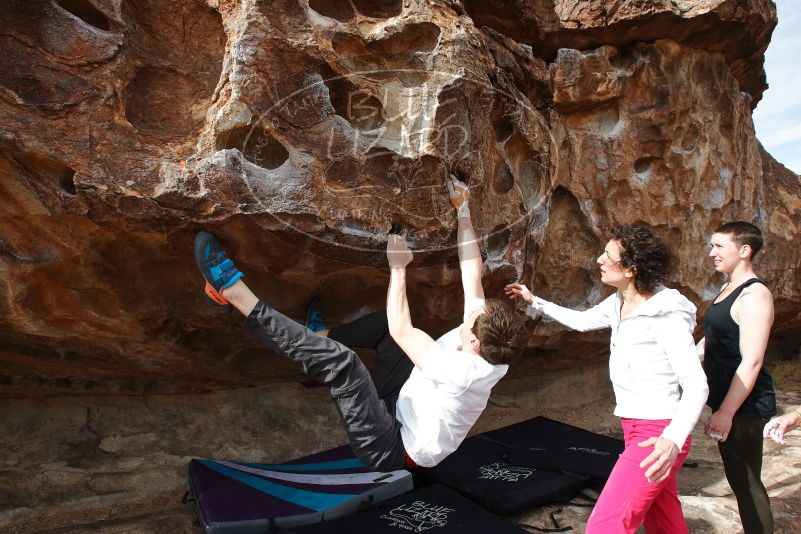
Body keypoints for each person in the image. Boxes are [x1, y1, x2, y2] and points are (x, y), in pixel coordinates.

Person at [193, 175, 528, 471]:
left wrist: (398, 266)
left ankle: (234, 293)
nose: (471, 313)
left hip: (393, 447)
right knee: (384, 328)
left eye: (471, 321)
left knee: (345, 364)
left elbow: (404, 329)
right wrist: (463, 209)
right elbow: (473, 273)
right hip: (404, 400)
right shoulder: (493, 342)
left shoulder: (457, 373)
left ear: (473, 345)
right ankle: (318, 333)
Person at [505, 225, 708, 534]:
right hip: (636, 427)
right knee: (663, 516)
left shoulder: (665, 316)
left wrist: (673, 440)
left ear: (631, 269)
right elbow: (583, 321)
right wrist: (535, 301)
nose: (599, 259)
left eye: (608, 256)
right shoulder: (620, 301)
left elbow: (696, 384)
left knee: (605, 525)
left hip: (658, 435)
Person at [699, 221, 776, 533]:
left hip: (745, 407)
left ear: (744, 251)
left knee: (746, 485)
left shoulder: (755, 295)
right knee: (739, 480)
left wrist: (726, 413)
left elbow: (752, 361)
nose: (711, 253)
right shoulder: (727, 288)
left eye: (719, 246)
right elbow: (714, 340)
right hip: (731, 402)